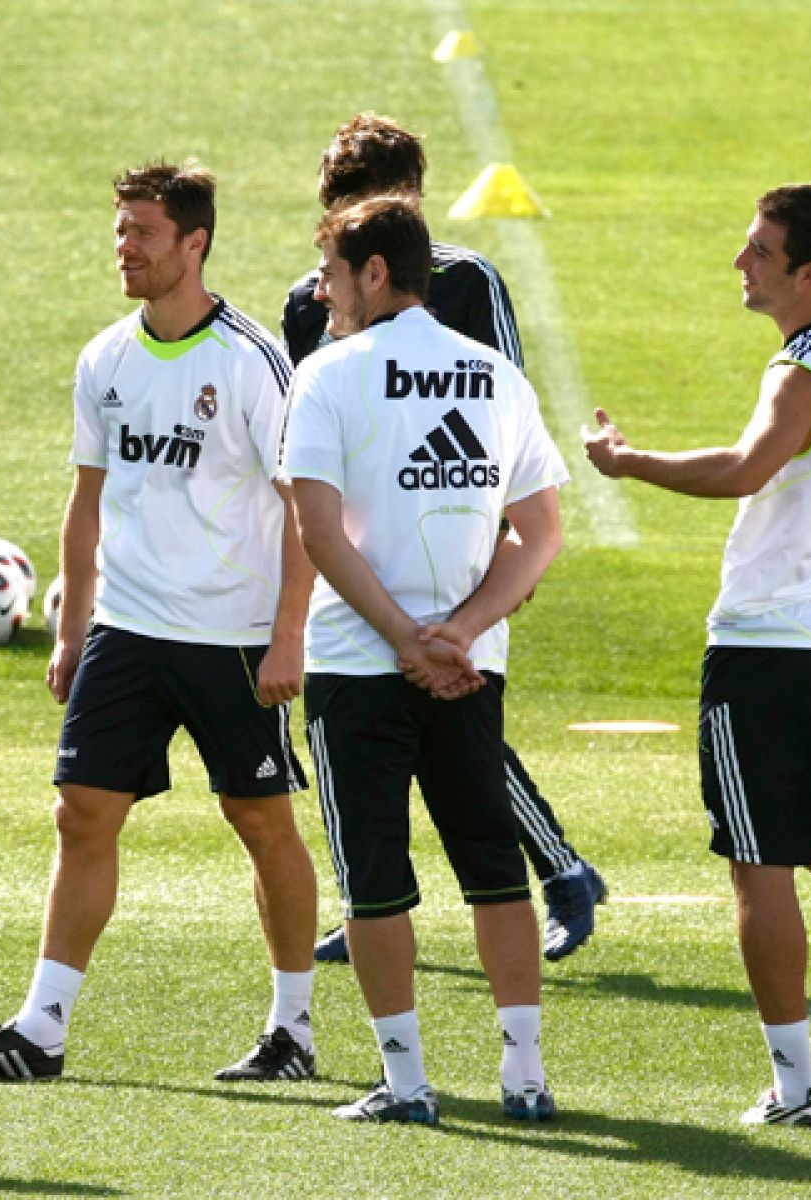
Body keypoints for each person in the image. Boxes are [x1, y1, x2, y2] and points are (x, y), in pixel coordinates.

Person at [0, 161, 321, 1083]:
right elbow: (85, 501)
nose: (124, 246)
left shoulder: (254, 364)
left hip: (233, 637)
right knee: (81, 814)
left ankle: (293, 1032)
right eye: (120, 230)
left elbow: (305, 507)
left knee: (260, 821)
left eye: (143, 231)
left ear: (195, 243)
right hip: (129, 631)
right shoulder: (105, 358)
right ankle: (42, 1029)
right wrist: (72, 629)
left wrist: (290, 634)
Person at [584, 183, 811, 1129]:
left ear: (808, 273)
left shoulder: (804, 370)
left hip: (773, 645)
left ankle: (796, 1090)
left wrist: (630, 464)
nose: (739, 262)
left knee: (759, 864)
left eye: (758, 250)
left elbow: (747, 467)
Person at [284, 113, 605, 965]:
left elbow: (504, 413)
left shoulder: (467, 279)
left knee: (452, 706)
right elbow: (305, 453)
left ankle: (556, 870)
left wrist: (505, 558)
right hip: (359, 568)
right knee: (417, 716)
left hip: (468, 548)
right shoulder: (308, 301)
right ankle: (381, 898)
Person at [283, 195, 567, 1123]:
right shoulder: (496, 378)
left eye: (332, 274)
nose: (322, 295)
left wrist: (406, 639)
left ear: (374, 274)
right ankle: (524, 1080)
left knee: (373, 878)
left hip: (359, 665)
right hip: (471, 666)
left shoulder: (327, 375)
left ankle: (407, 1086)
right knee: (493, 866)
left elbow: (317, 531)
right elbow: (541, 532)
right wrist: (464, 627)